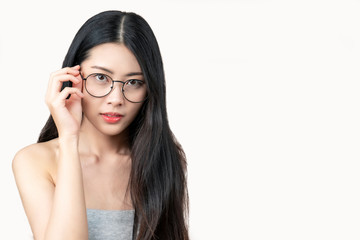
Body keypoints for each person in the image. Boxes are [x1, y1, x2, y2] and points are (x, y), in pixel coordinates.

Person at [12, 10, 189, 240]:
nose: (116, 98)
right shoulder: (36, 161)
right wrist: (69, 140)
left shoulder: (162, 158)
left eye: (134, 82)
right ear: (73, 76)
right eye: (101, 77)